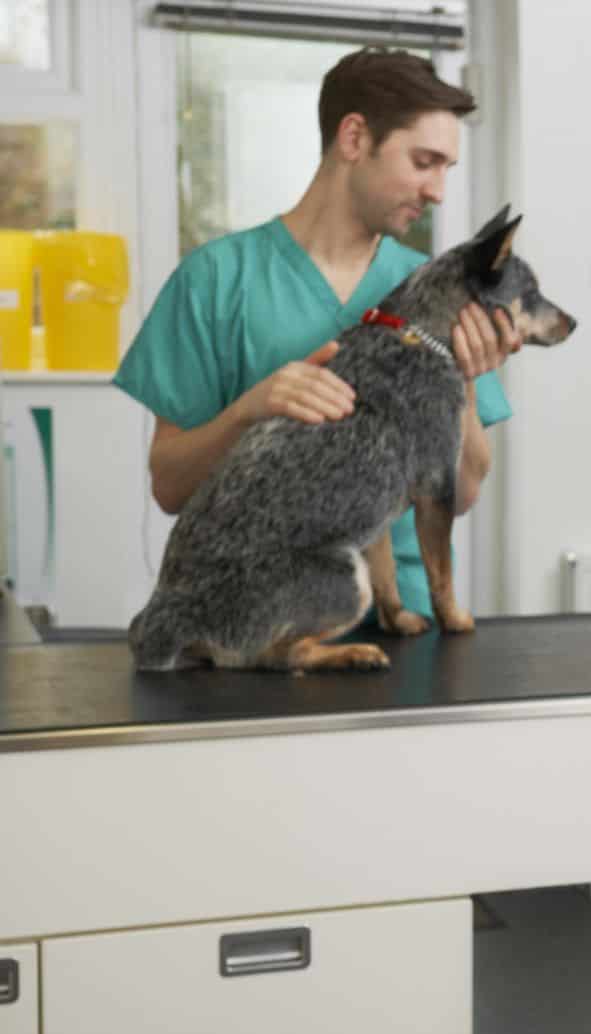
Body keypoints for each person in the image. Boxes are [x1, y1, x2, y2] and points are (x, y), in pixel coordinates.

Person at [115, 47, 518, 618]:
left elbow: (463, 493)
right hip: (260, 615)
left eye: (446, 170)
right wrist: (247, 411)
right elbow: (170, 488)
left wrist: (467, 386)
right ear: (354, 138)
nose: (437, 192)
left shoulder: (429, 290)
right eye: (424, 162)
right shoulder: (214, 282)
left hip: (405, 621)